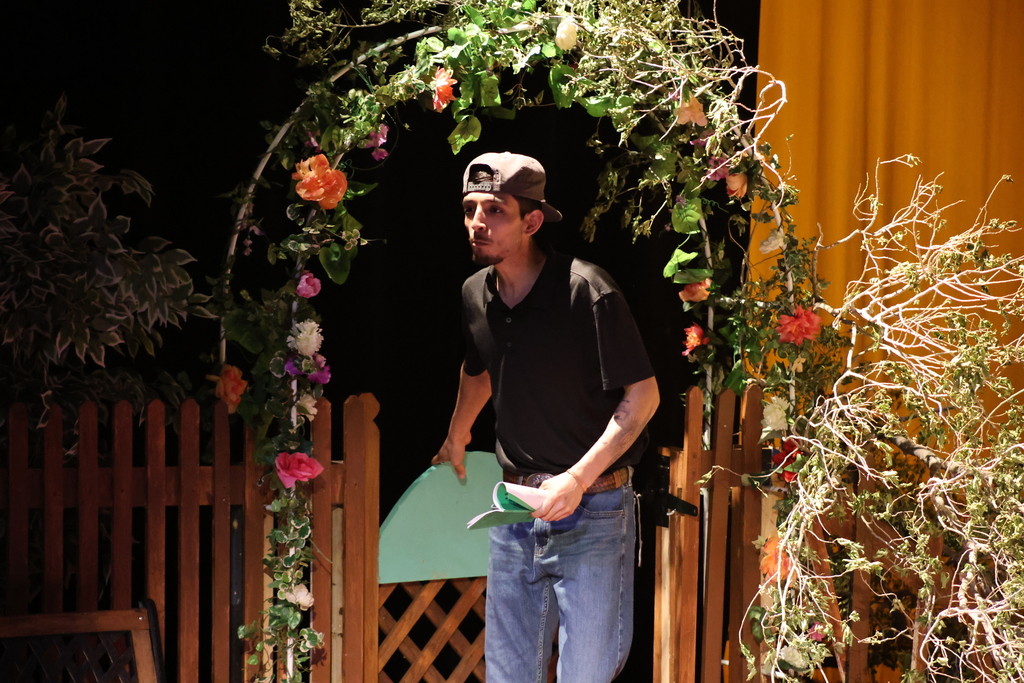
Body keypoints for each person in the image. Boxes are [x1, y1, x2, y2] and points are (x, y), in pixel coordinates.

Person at [432, 151, 660, 683]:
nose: (477, 223)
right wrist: (456, 435)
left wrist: (576, 482)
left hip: (595, 510)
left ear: (532, 221)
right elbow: (479, 369)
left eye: (495, 210)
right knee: (510, 676)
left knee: (586, 675)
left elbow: (644, 396)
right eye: (470, 208)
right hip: (514, 514)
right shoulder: (475, 293)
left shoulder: (587, 290)